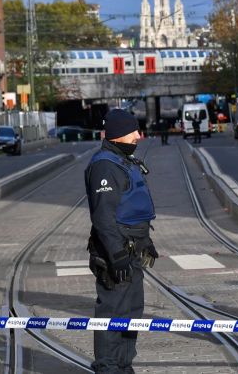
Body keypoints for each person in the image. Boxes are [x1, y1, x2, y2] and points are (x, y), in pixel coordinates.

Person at [85, 109, 158, 373]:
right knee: (112, 312)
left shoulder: (124, 162)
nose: (139, 136)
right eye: (133, 132)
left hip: (133, 251)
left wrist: (146, 241)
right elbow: (104, 217)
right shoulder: (105, 166)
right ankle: (107, 367)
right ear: (117, 135)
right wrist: (116, 254)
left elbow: (132, 209)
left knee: (131, 312)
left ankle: (124, 365)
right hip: (115, 253)